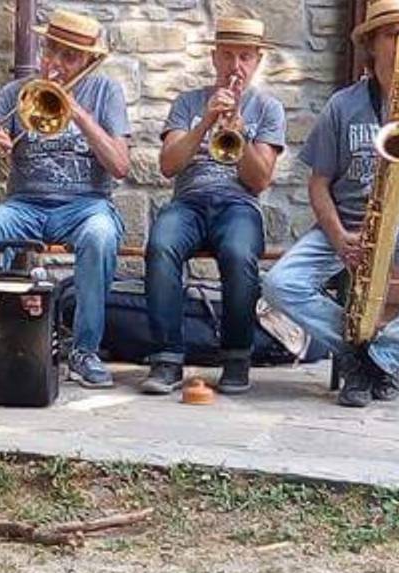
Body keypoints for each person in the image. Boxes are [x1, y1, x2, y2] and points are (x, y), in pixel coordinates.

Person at [261, 0, 399, 408]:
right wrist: (339, 236)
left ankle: (382, 357)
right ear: (371, 44)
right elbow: (318, 184)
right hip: (348, 223)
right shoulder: (342, 105)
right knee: (279, 285)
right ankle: (358, 351)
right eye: (391, 33)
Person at [0, 9, 130, 389]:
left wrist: (80, 115)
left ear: (89, 61)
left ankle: (85, 352)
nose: (56, 64)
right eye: (51, 51)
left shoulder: (106, 92)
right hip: (25, 203)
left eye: (69, 57)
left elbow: (120, 166)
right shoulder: (14, 93)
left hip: (87, 204)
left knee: (100, 236)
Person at [140, 16, 286, 396]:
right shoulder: (188, 102)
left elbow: (260, 180)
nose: (235, 67)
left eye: (244, 57)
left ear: (256, 61)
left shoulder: (268, 109)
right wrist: (205, 121)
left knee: (239, 254)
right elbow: (169, 165)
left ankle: (237, 356)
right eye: (227, 56)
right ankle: (167, 357)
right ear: (214, 58)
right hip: (188, 202)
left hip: (238, 205)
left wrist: (238, 134)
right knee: (160, 246)